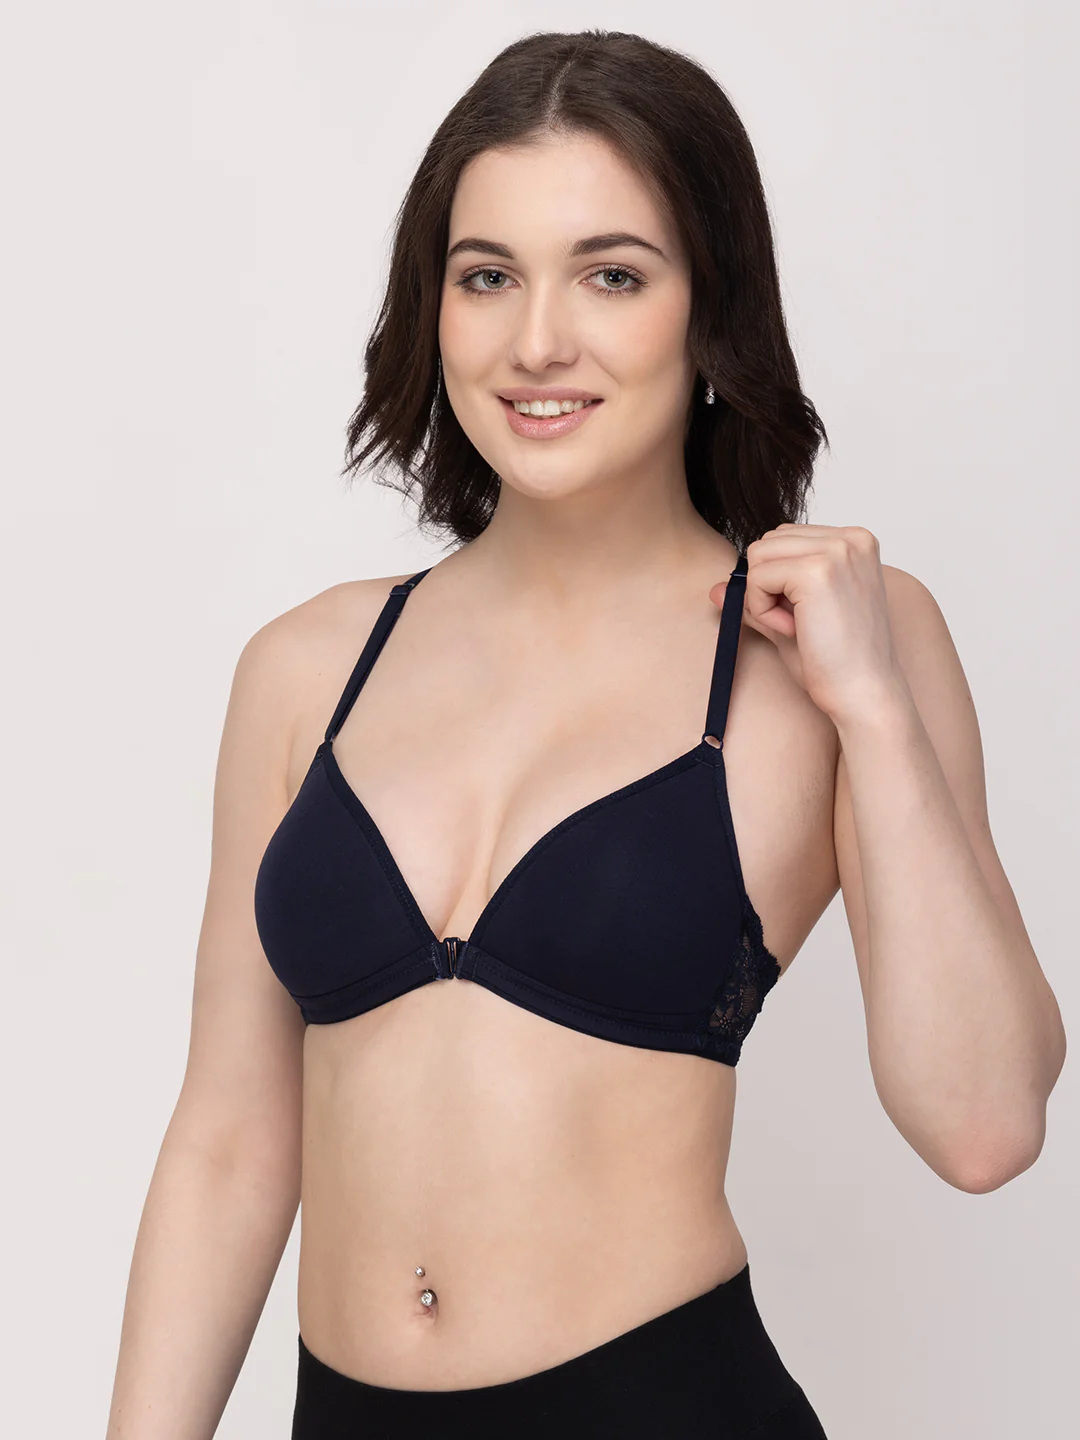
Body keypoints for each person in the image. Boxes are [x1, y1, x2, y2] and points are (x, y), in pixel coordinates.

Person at [105, 28, 1066, 1440]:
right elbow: (230, 1144)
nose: (536, 341)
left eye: (612, 275)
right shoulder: (308, 668)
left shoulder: (834, 646)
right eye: (487, 275)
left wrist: (871, 705)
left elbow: (983, 1125)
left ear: (710, 308)